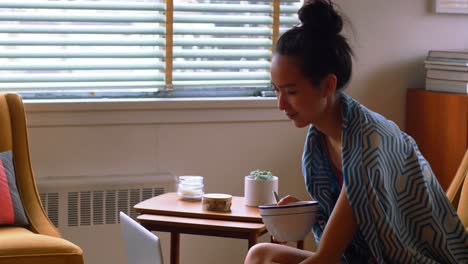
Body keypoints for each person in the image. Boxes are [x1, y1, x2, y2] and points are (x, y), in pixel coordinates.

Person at [244, 0, 468, 263]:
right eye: (276, 90)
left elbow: (325, 258)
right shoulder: (321, 139)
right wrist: (311, 211)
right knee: (261, 254)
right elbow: (364, 213)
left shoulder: (367, 144)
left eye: (291, 92)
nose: (280, 104)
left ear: (327, 85)